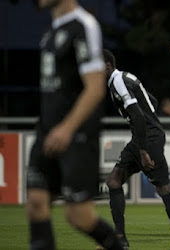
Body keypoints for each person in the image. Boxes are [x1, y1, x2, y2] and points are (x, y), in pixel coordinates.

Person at [26, 1, 122, 249]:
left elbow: (95, 87)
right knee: (36, 203)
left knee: (78, 216)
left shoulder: (84, 25)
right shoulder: (51, 30)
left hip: (76, 135)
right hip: (47, 130)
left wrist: (67, 128)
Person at [101, 49, 170, 250]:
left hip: (148, 139)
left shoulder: (118, 81)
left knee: (163, 188)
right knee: (114, 181)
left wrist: (143, 149)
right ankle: (120, 240)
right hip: (142, 137)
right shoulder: (124, 78)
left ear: (107, 65)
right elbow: (151, 101)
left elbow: (138, 115)